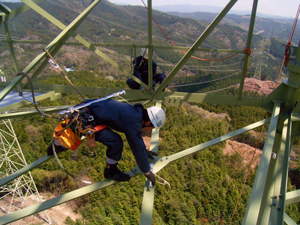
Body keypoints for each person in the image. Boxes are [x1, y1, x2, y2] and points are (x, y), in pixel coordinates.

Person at [48, 98, 166, 185]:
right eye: (151, 128)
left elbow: (137, 139)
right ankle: (111, 171)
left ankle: (56, 145)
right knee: (116, 142)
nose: (149, 131)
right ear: (148, 123)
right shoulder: (134, 121)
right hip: (87, 120)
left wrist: (145, 153)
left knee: (70, 135)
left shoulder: (134, 112)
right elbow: (137, 148)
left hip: (85, 110)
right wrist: (147, 172)